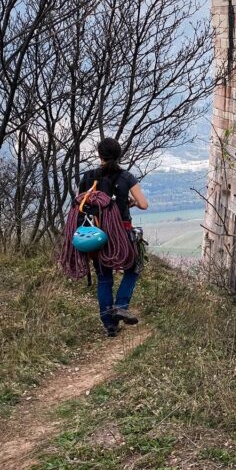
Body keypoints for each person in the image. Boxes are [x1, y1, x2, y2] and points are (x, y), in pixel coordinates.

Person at [79, 137, 148, 337]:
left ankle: (109, 324)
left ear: (99, 154)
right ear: (119, 155)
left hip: (94, 233)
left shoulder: (87, 177)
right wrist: (130, 203)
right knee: (133, 268)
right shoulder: (126, 177)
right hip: (121, 233)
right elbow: (143, 204)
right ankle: (121, 305)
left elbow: (82, 204)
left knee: (104, 277)